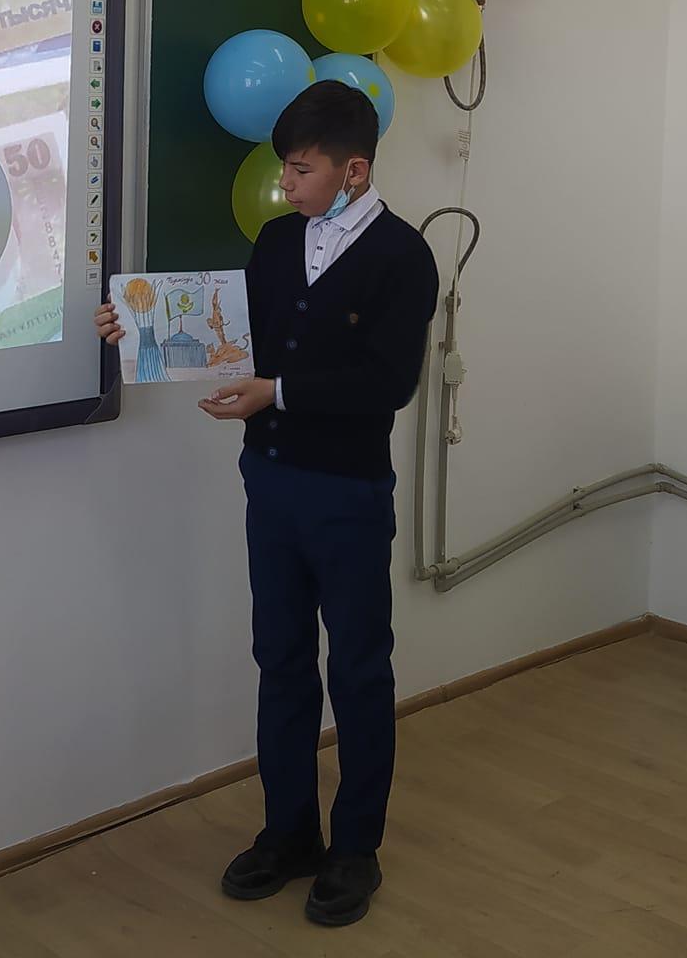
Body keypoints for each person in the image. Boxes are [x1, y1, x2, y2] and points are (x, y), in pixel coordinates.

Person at [95, 79, 437, 927]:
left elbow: (387, 382)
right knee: (280, 660)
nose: (285, 184)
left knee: (357, 670)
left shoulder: (403, 256)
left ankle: (355, 849)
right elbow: (230, 335)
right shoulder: (279, 241)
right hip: (271, 483)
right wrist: (134, 328)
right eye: (284, 168)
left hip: (348, 493)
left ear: (354, 171)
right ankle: (289, 832)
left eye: (301, 169)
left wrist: (276, 394)